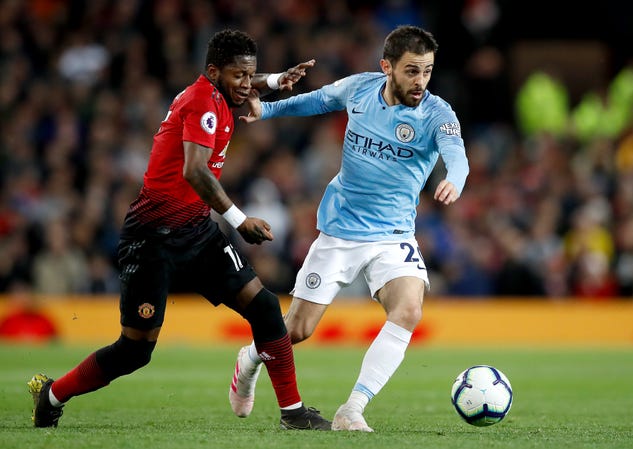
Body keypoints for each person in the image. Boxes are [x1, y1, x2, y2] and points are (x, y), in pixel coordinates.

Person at [28, 29, 331, 431]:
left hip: (195, 230)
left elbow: (241, 80)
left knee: (263, 307)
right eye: (238, 76)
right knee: (134, 351)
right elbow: (194, 170)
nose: (246, 84)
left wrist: (275, 81)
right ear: (213, 72)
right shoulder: (202, 103)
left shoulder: (218, 90)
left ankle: (293, 413)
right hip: (151, 238)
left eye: (250, 75)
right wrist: (241, 222)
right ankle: (51, 394)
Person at [228, 25, 469, 432]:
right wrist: (267, 109)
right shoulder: (359, 89)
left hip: (394, 237)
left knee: (408, 310)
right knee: (297, 330)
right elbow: (316, 101)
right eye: (412, 71)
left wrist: (454, 181)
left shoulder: (437, 114)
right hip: (341, 232)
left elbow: (456, 155)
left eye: (427, 71)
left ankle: (352, 409)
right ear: (386, 67)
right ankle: (250, 357)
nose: (420, 82)